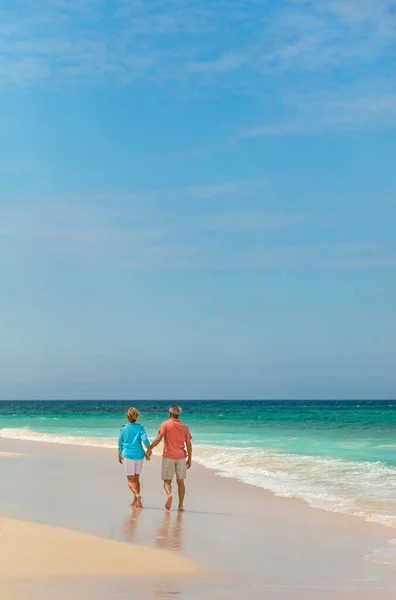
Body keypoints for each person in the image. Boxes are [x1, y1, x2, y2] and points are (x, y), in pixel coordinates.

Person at [147, 404, 192, 512]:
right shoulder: (185, 427)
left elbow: (159, 438)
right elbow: (188, 444)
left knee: (167, 481)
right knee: (180, 481)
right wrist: (189, 458)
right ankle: (181, 505)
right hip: (181, 457)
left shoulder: (165, 424)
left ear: (170, 413)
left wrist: (150, 448)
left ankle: (169, 495)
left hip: (168, 456)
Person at [118, 407, 151, 509]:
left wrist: (119, 454)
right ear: (136, 416)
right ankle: (136, 501)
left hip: (128, 455)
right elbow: (145, 440)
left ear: (127, 417)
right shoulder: (140, 428)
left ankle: (137, 496)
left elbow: (120, 443)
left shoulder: (123, 429)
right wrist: (149, 450)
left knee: (130, 481)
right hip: (139, 456)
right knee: (136, 480)